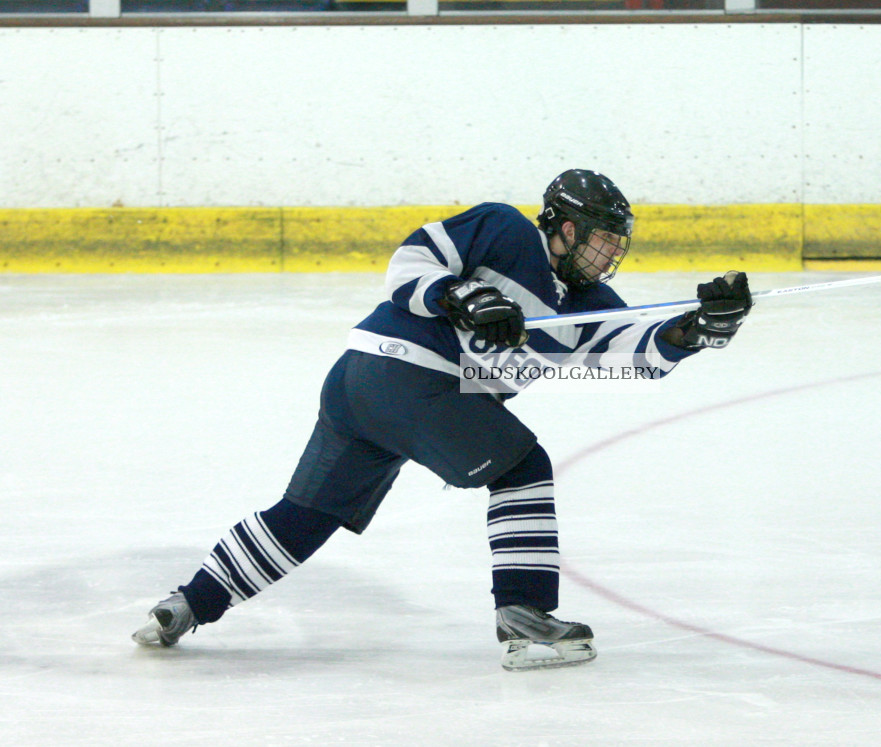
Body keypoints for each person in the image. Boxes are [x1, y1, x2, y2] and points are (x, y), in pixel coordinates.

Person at [132, 169, 753, 670]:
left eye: (618, 244)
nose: (611, 252)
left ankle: (187, 605)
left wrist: (699, 327)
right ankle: (526, 614)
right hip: (404, 374)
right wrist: (457, 295)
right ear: (564, 227)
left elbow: (642, 353)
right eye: (602, 238)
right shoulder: (505, 228)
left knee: (306, 517)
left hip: (366, 388)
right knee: (522, 469)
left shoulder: (589, 307)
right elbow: (411, 260)